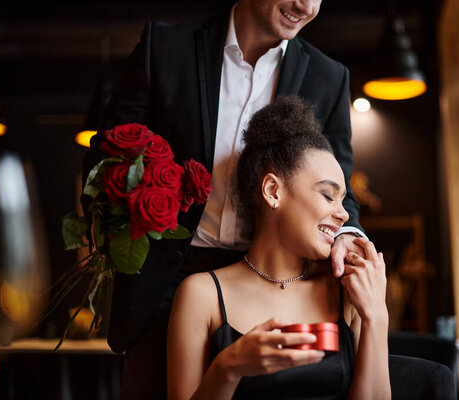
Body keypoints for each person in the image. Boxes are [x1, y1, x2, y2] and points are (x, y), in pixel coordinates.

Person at [82, 1, 365, 398]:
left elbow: (341, 190)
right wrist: (133, 209)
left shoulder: (329, 77)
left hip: (265, 282)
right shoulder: (164, 47)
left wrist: (347, 234)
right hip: (162, 283)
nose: (305, 5)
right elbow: (106, 156)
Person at [167, 96, 390, 400]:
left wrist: (376, 314)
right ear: (273, 191)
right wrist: (228, 368)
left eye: (342, 200)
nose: (344, 214)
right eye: (328, 195)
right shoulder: (201, 295)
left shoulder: (348, 291)